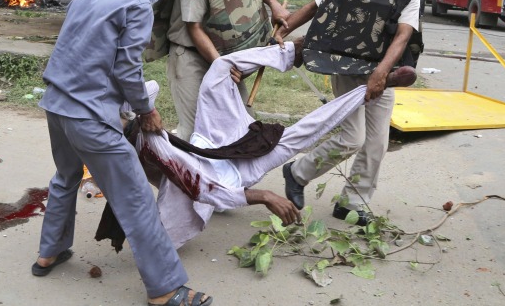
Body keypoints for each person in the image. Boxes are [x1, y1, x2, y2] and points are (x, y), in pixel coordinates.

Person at [33, 0, 213, 306]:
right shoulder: (135, 3)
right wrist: (146, 110)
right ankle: (164, 290)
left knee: (65, 177)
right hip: (90, 116)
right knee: (135, 200)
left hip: (57, 105)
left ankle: (48, 252)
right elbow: (127, 67)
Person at [125, 42, 416, 248]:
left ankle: (292, 51)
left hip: (209, 142)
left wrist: (142, 110)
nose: (155, 118)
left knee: (219, 68)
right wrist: (264, 195)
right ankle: (371, 89)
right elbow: (207, 189)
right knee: (306, 131)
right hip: (231, 173)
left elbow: (145, 92)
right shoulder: (150, 147)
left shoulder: (140, 132)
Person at [276, 0, 426, 226]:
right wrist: (283, 31)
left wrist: (382, 74)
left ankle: (351, 202)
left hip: (382, 73)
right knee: (353, 138)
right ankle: (297, 172)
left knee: (377, 143)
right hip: (346, 69)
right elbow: (314, 7)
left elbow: (402, 37)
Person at [166, 0, 290, 141]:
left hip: (222, 57)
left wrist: (274, 5)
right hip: (191, 57)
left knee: (243, 121)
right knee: (194, 129)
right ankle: (174, 173)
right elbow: (194, 28)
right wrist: (223, 66)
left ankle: (227, 176)